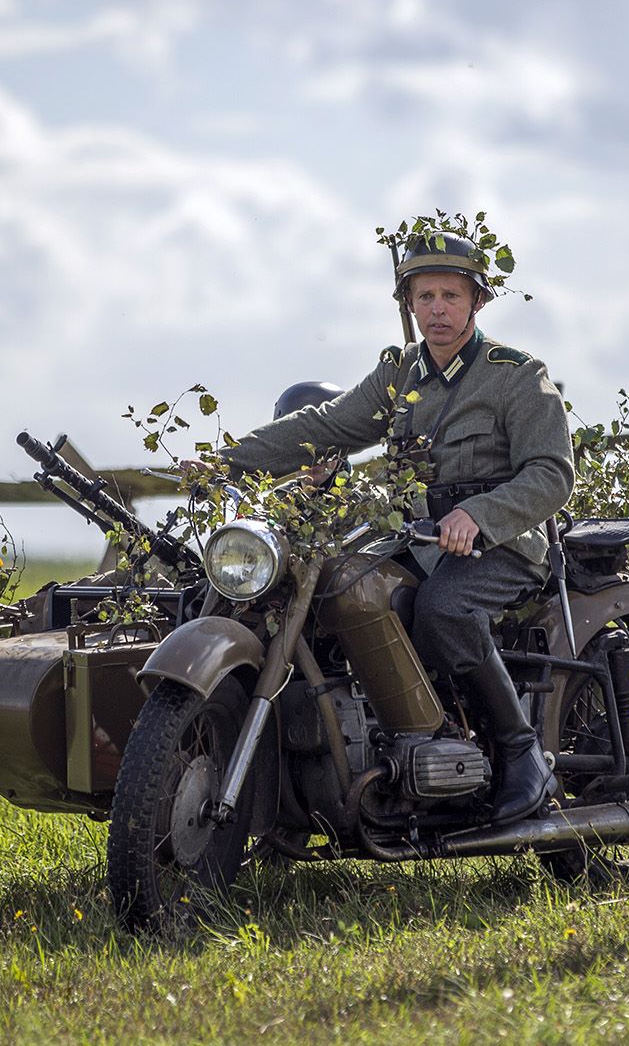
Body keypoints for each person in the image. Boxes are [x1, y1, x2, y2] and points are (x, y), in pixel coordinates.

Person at [214, 231, 574, 823]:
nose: (437, 308)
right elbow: (325, 427)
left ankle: (520, 751)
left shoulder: (515, 376)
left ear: (477, 302)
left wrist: (478, 517)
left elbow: (552, 474)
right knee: (346, 588)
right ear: (408, 302)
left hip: (505, 540)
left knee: (443, 610)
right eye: (424, 296)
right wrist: (227, 459)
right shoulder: (398, 376)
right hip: (421, 538)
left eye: (451, 296)